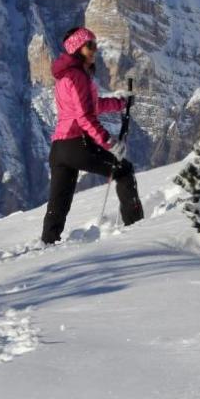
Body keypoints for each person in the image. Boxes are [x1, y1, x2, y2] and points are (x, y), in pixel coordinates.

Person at [40, 27, 142, 245]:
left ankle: (47, 245)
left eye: (95, 44)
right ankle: (138, 230)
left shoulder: (66, 76)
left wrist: (120, 102)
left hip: (59, 148)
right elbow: (85, 117)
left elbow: (91, 106)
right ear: (77, 48)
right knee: (124, 170)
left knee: (58, 203)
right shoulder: (78, 76)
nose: (95, 49)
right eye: (90, 45)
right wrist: (109, 142)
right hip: (76, 143)